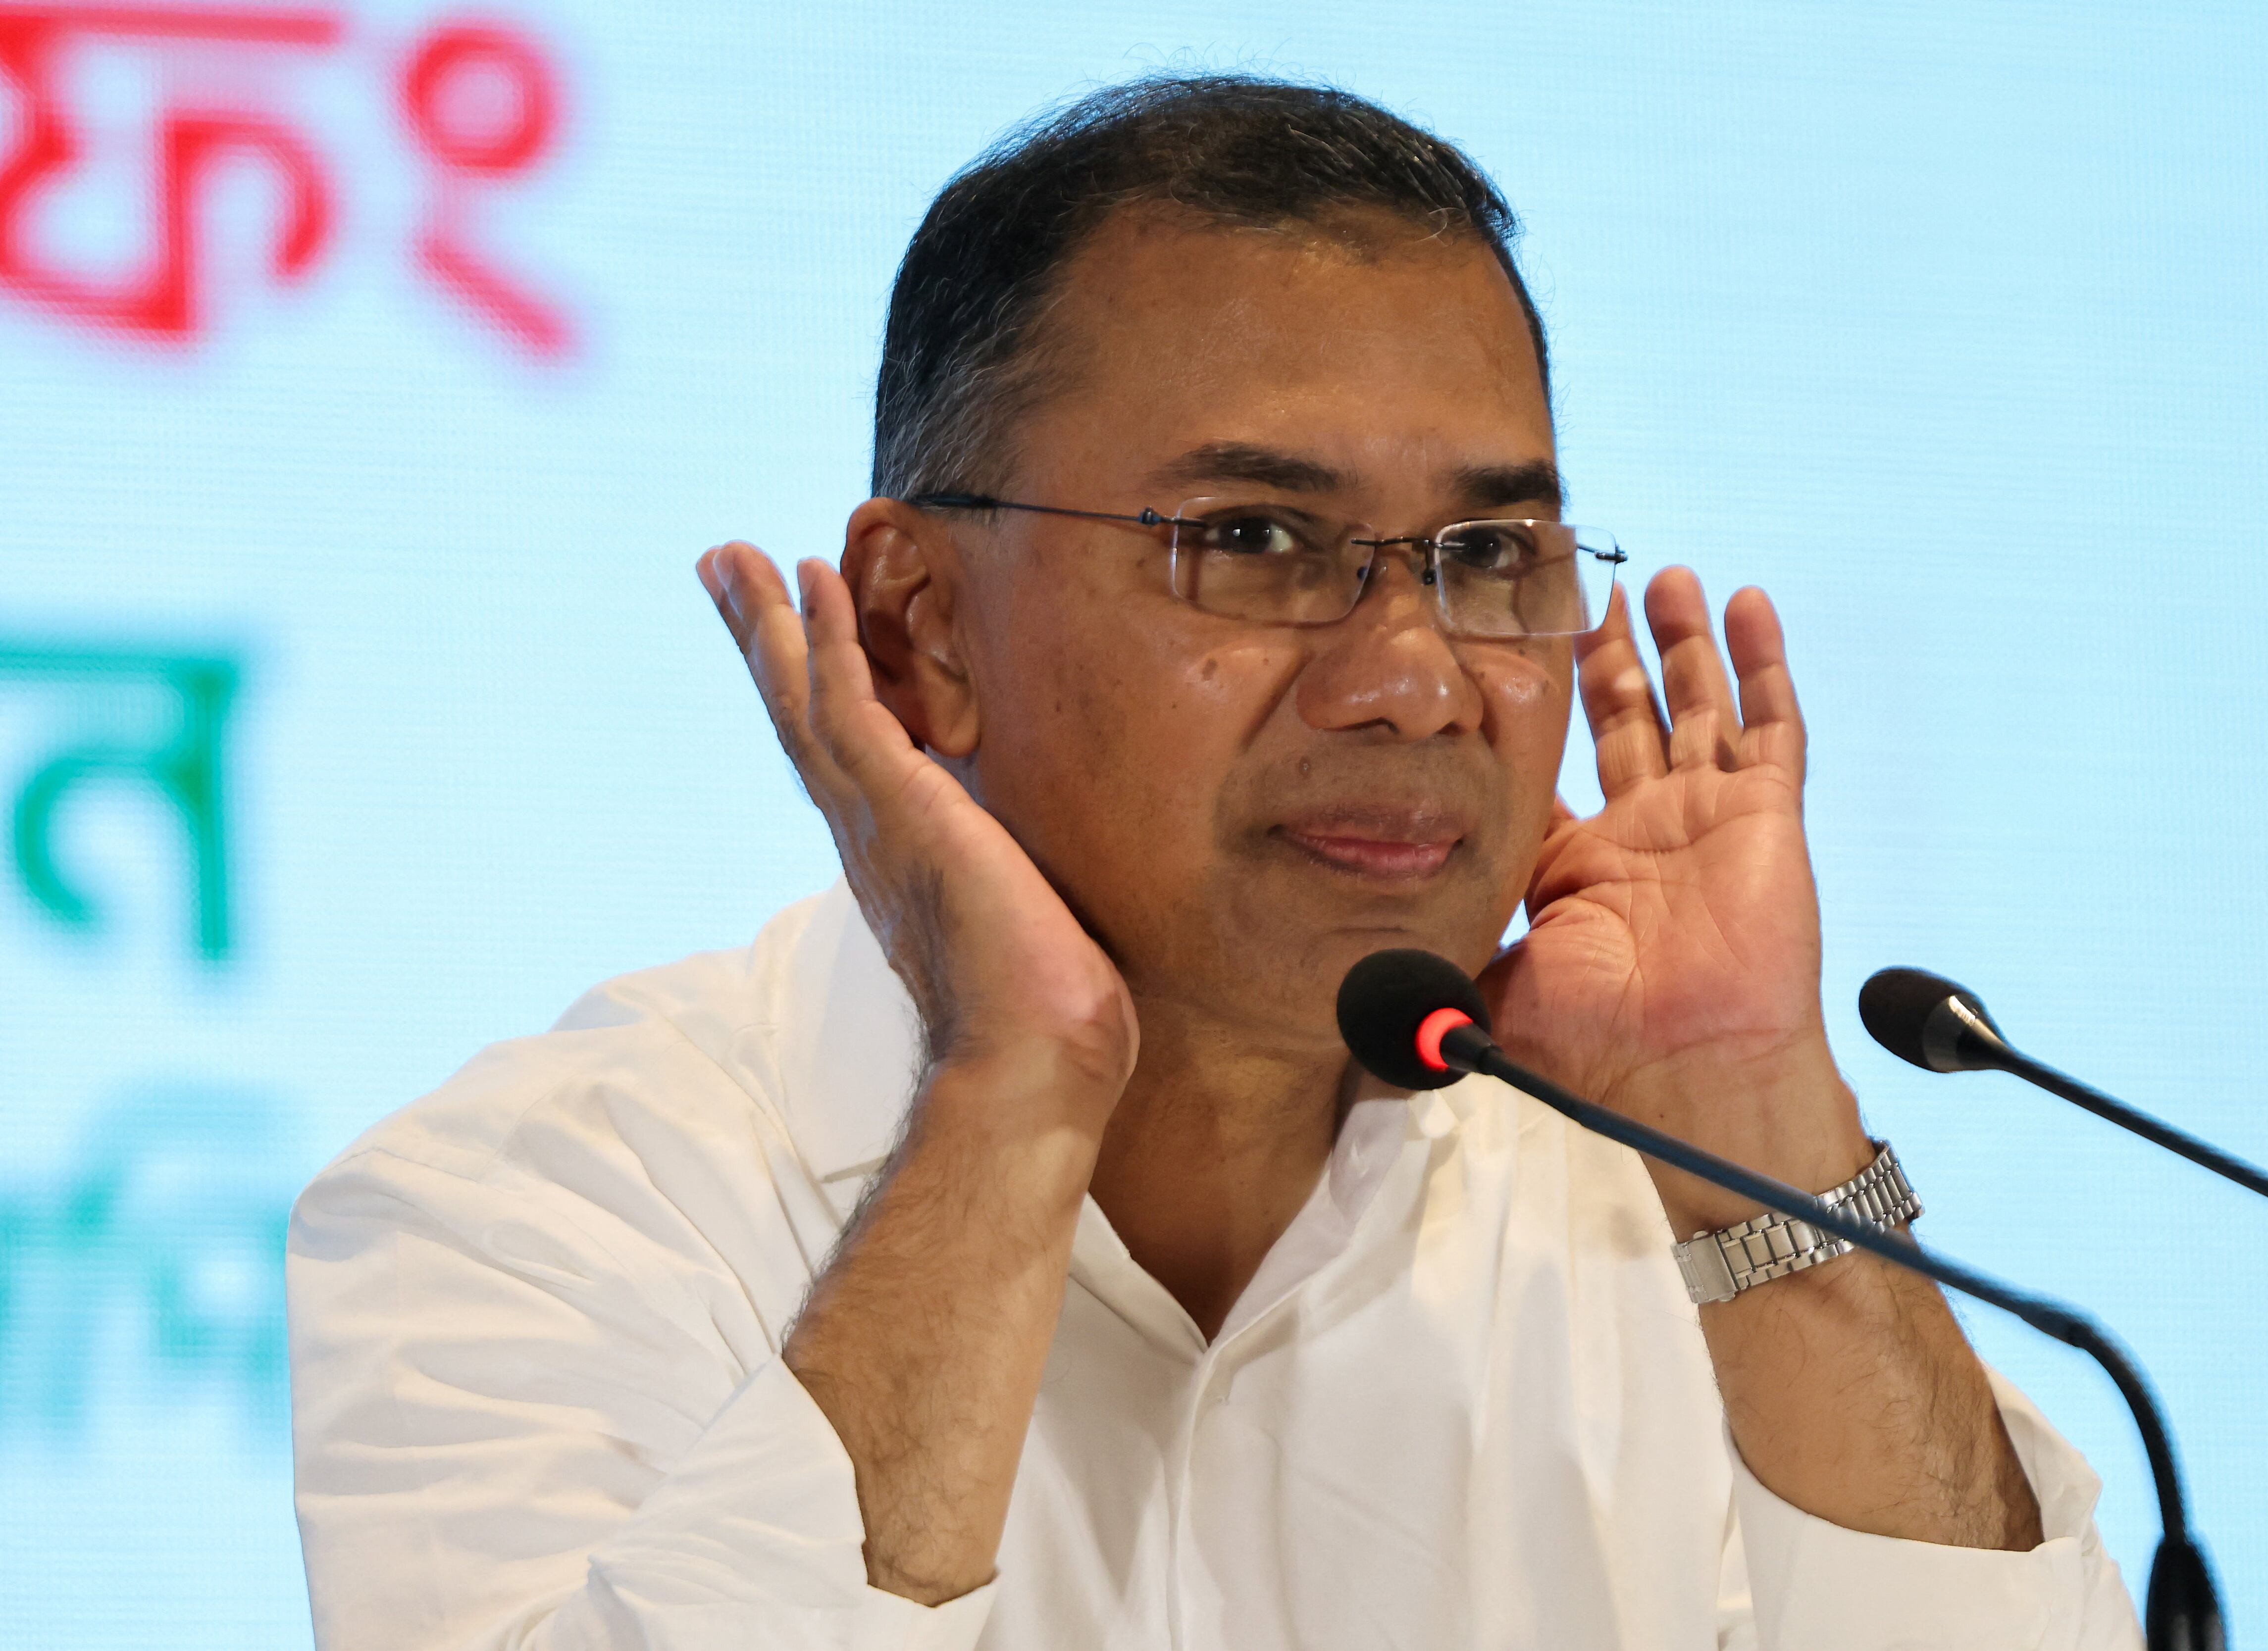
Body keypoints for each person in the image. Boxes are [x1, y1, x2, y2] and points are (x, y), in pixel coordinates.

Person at [288, 75, 2139, 1649]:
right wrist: (1014, 1098)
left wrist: (1755, 1118)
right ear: (921, 629)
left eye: (1491, 555)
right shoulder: (536, 1212)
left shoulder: (1667, 1215)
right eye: (1256, 537)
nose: (1417, 681)